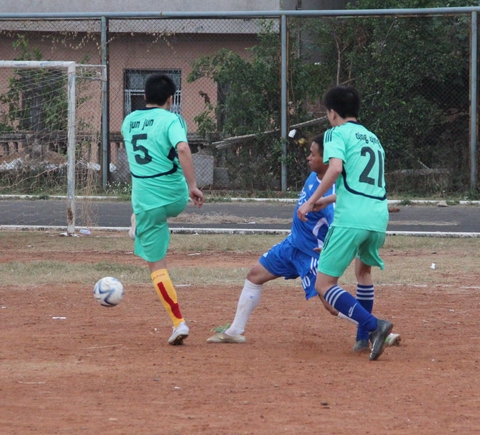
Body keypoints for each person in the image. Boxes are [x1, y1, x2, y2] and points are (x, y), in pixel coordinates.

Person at [207, 135, 400, 349]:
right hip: (292, 245)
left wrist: (328, 246)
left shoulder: (332, 191)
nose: (308, 157)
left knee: (330, 304)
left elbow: (339, 223)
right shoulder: (315, 177)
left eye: (313, 154)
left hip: (311, 253)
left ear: (327, 159)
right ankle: (235, 331)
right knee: (254, 275)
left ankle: (377, 329)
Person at [297, 86, 393, 361]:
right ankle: (362, 341)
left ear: (332, 113)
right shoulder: (373, 138)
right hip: (378, 217)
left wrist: (310, 201)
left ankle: (374, 326)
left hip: (351, 218)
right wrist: (327, 200)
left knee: (324, 285)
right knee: (363, 273)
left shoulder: (336, 133)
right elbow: (361, 184)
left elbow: (336, 169)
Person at [121, 73, 204, 345]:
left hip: (146, 201)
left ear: (144, 96)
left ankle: (179, 323)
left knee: (157, 266)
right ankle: (138, 220)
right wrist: (193, 185)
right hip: (176, 197)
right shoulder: (173, 119)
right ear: (171, 98)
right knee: (152, 214)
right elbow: (182, 148)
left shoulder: (128, 121)